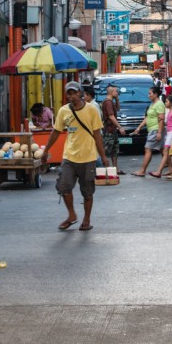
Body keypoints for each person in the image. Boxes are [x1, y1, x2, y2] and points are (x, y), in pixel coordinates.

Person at [41, 81, 109, 232]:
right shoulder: (64, 111)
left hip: (88, 157)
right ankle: (72, 215)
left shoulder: (92, 110)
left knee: (87, 191)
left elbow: (97, 134)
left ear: (80, 93)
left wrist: (103, 156)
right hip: (69, 157)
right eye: (69, 93)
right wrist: (45, 150)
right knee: (64, 187)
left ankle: (86, 219)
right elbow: (56, 131)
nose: (72, 96)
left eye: (74, 93)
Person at [132, 86, 166, 177]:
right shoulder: (152, 104)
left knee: (148, 149)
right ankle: (171, 169)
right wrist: (139, 127)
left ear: (155, 94)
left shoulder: (159, 104)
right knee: (164, 151)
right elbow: (147, 117)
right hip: (151, 129)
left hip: (155, 130)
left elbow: (161, 119)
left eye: (150, 93)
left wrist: (159, 132)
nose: (148, 95)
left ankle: (142, 170)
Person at [100, 85, 127, 175]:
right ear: (111, 93)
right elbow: (111, 116)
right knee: (107, 150)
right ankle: (107, 170)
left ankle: (115, 169)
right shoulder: (107, 103)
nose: (117, 93)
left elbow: (118, 109)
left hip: (112, 129)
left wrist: (117, 99)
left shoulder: (111, 102)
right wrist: (120, 127)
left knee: (115, 150)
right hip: (109, 130)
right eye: (116, 92)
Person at [150, 95, 172, 179]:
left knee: (166, 151)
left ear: (171, 103)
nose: (165, 103)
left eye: (166, 101)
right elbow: (169, 123)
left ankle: (159, 171)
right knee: (171, 153)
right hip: (169, 133)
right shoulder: (170, 111)